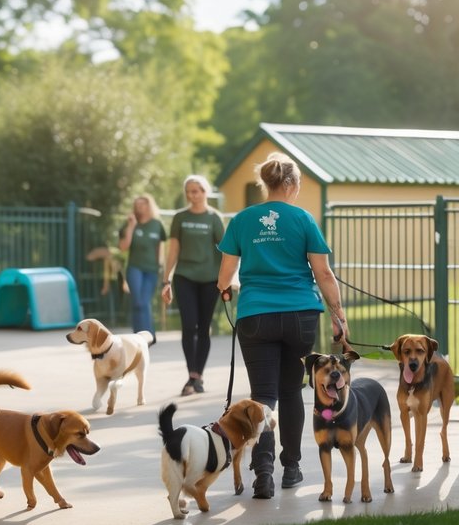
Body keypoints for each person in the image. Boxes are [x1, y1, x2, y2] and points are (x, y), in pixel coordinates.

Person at [217, 152, 347, 500]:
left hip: (255, 315)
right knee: (291, 392)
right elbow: (323, 273)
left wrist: (226, 289)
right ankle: (291, 467)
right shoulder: (303, 219)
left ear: (266, 183)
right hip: (300, 314)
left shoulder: (242, 220)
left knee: (263, 396)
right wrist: (339, 316)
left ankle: (263, 473)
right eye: (299, 184)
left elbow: (225, 276)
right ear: (289, 184)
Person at [161, 175, 225, 396]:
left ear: (205, 192)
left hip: (210, 280)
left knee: (204, 327)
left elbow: (226, 252)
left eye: (196, 191)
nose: (192, 195)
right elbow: (173, 251)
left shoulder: (214, 218)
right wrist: (165, 279)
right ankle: (192, 375)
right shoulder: (180, 217)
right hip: (184, 277)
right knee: (189, 326)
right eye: (189, 191)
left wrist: (227, 281)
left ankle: (198, 375)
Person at [118, 194, 166, 342]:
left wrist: (161, 268)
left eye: (143, 204)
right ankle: (140, 336)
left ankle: (148, 335)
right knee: (137, 302)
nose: (140, 207)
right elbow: (123, 247)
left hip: (152, 270)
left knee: (144, 302)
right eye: (137, 205)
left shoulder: (157, 225)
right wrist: (131, 227)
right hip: (135, 268)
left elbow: (160, 248)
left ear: (149, 206)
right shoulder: (129, 224)